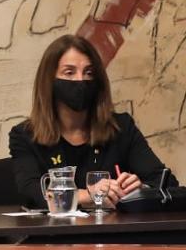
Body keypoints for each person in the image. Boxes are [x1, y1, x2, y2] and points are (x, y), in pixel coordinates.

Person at [9, 34, 177, 210]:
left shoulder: (121, 127)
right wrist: (89, 195)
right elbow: (32, 192)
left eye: (88, 73)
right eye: (69, 72)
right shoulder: (25, 135)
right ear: (49, 81)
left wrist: (141, 190)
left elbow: (168, 184)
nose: (80, 80)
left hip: (114, 227)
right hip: (52, 228)